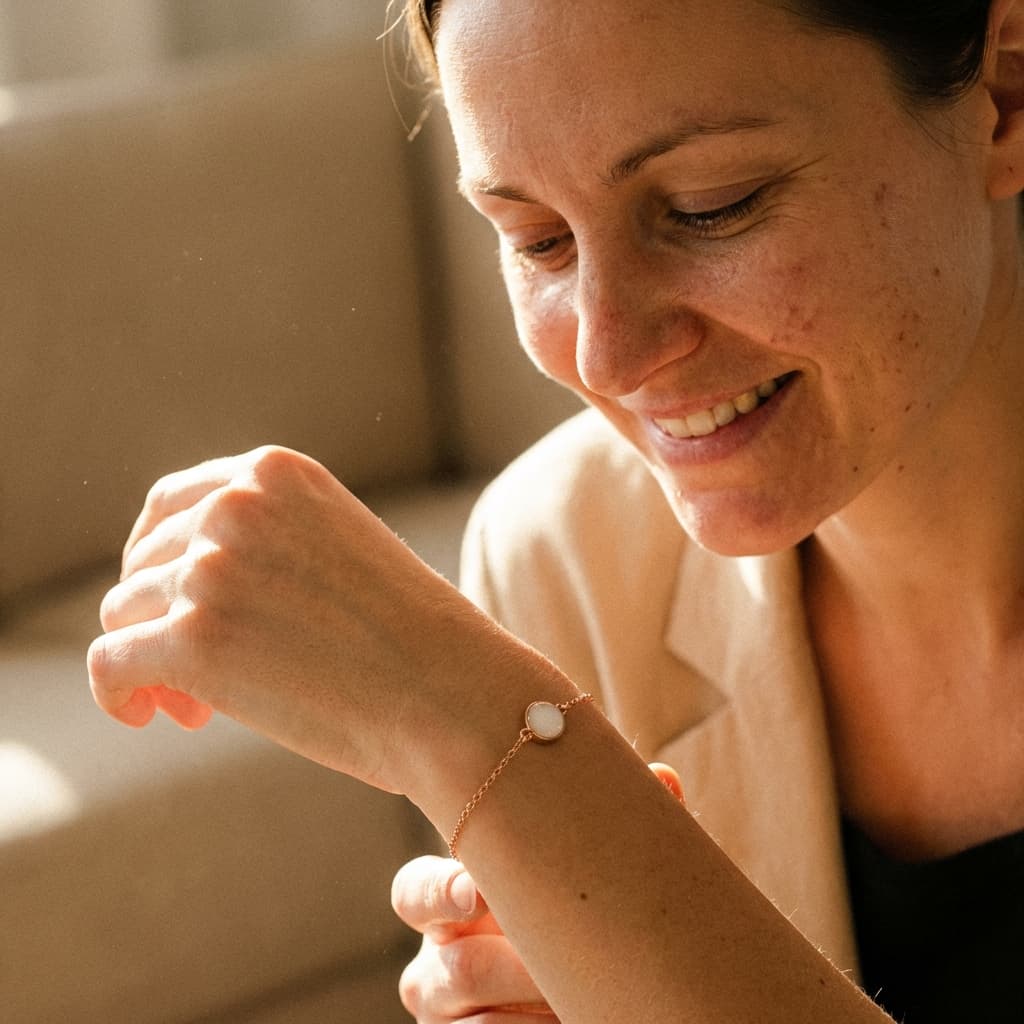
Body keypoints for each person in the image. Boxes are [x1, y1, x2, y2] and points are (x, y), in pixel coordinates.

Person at [87, 0, 1024, 1019]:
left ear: (1006, 94)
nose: (604, 355)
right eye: (536, 241)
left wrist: (488, 735)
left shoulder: (493, 684)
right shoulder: (565, 554)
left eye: (710, 205)